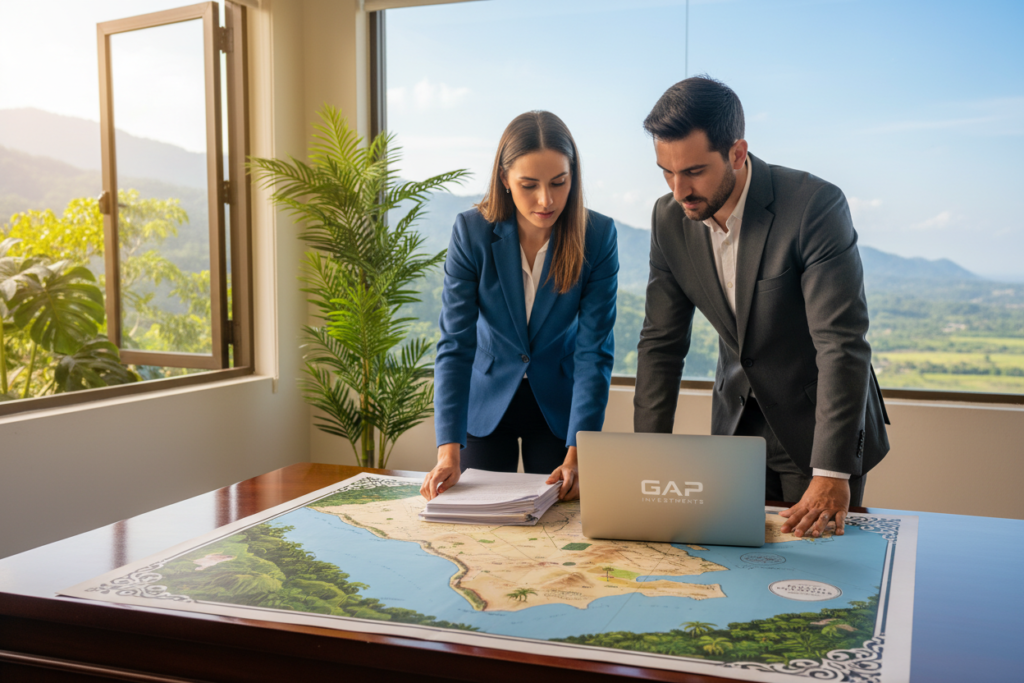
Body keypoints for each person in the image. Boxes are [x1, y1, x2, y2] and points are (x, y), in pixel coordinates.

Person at [634, 76, 890, 539]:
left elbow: (842, 344)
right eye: (666, 172)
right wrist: (646, 460)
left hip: (818, 427)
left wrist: (832, 471)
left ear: (737, 152)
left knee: (817, 577)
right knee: (731, 570)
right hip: (735, 431)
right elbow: (661, 343)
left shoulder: (814, 206)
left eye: (693, 171)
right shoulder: (668, 218)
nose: (678, 190)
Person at [421, 111, 618, 503]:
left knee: (561, 524)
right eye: (529, 185)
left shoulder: (598, 236)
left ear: (573, 178)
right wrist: (447, 449)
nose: (546, 200)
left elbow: (594, 352)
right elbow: (455, 345)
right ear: (504, 180)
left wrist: (579, 454)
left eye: (559, 183)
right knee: (480, 527)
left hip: (559, 411)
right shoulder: (471, 232)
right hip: (486, 403)